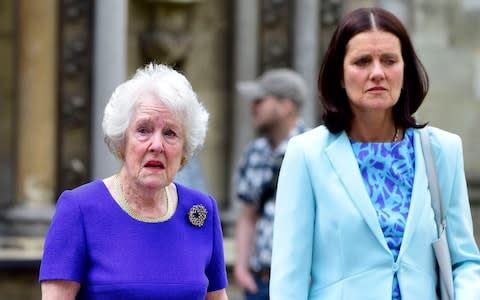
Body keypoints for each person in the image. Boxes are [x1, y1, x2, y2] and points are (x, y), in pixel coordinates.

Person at [270, 7, 480, 300]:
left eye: (390, 60)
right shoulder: (307, 155)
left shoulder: (443, 150)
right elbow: (288, 280)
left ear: (405, 71)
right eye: (362, 61)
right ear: (340, 76)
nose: (378, 72)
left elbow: (465, 261)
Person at [39, 63, 229, 300]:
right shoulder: (79, 209)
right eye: (143, 130)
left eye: (170, 133)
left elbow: (217, 297)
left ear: (184, 150)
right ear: (122, 141)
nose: (157, 145)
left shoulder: (201, 211)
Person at [233, 68, 308, 300]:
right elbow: (248, 215)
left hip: (301, 284)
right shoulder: (254, 152)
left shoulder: (313, 149)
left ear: (285, 106)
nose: (252, 107)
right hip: (259, 282)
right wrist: (242, 269)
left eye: (260, 101)